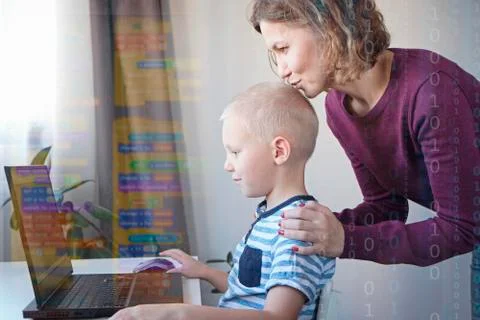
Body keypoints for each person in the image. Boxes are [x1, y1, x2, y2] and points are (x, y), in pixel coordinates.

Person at [248, 0, 480, 266]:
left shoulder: (432, 92)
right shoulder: (337, 108)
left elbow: (462, 228)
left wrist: (345, 240)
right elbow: (386, 207)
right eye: (274, 55)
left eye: (283, 48)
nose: (282, 70)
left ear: (330, 27)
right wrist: (310, 227)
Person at [109, 82, 335, 320]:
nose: (227, 165)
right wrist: (202, 271)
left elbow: (277, 316)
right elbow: (249, 292)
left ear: (278, 151)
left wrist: (176, 313)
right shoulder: (273, 217)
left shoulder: (296, 229)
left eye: (235, 152)